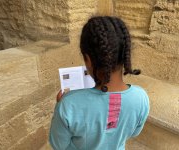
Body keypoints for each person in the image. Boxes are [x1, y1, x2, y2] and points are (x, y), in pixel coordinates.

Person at [49, 16, 150, 150]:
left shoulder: (68, 104)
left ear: (88, 60)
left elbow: (58, 144)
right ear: (125, 54)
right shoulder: (141, 97)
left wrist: (60, 106)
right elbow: (133, 132)